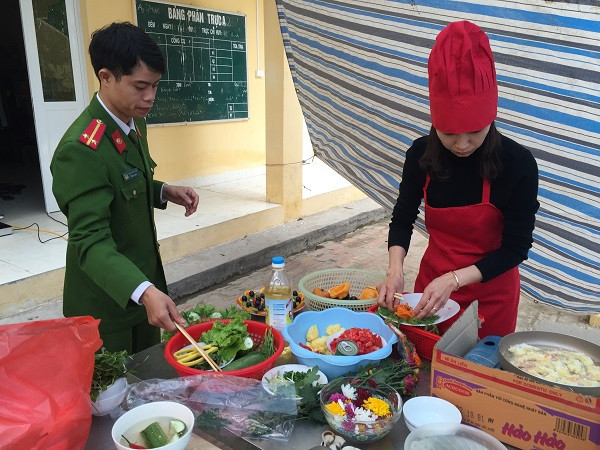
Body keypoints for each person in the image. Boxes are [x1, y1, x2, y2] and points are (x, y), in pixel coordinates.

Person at [378, 21, 539, 337]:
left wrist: (453, 280)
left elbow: (516, 248)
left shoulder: (518, 164)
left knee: (477, 367)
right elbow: (403, 217)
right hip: (432, 291)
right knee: (420, 361)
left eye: (475, 131)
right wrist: (395, 271)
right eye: (449, 132)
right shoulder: (420, 155)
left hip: (491, 296)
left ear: (490, 117)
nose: (462, 144)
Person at [51, 22, 199, 353]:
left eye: (155, 85)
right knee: (116, 384)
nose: (150, 97)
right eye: (140, 86)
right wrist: (143, 291)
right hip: (107, 304)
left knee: (149, 374)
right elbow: (89, 241)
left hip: (145, 289)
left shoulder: (133, 119)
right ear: (106, 77)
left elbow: (124, 181)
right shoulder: (81, 149)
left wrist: (162, 190)